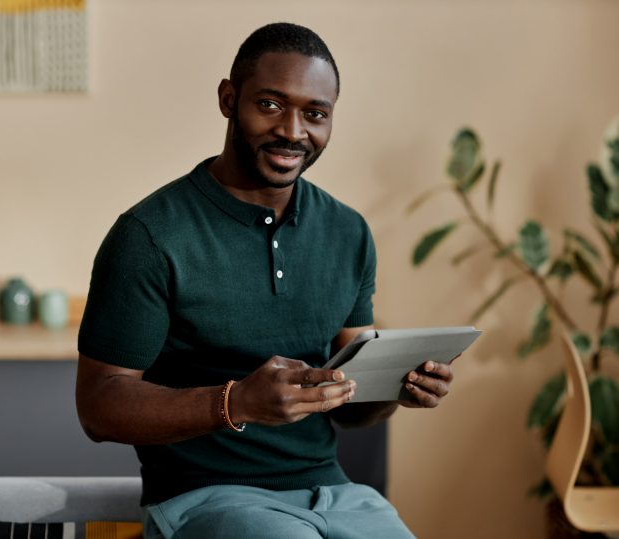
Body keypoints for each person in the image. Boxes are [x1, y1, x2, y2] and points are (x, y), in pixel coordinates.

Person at [76, 22, 454, 539]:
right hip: (204, 498)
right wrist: (236, 402)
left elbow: (350, 406)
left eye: (315, 114)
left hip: (336, 495)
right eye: (271, 105)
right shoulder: (150, 236)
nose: (293, 132)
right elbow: (98, 407)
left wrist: (397, 387)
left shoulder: (348, 232)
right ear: (229, 99)